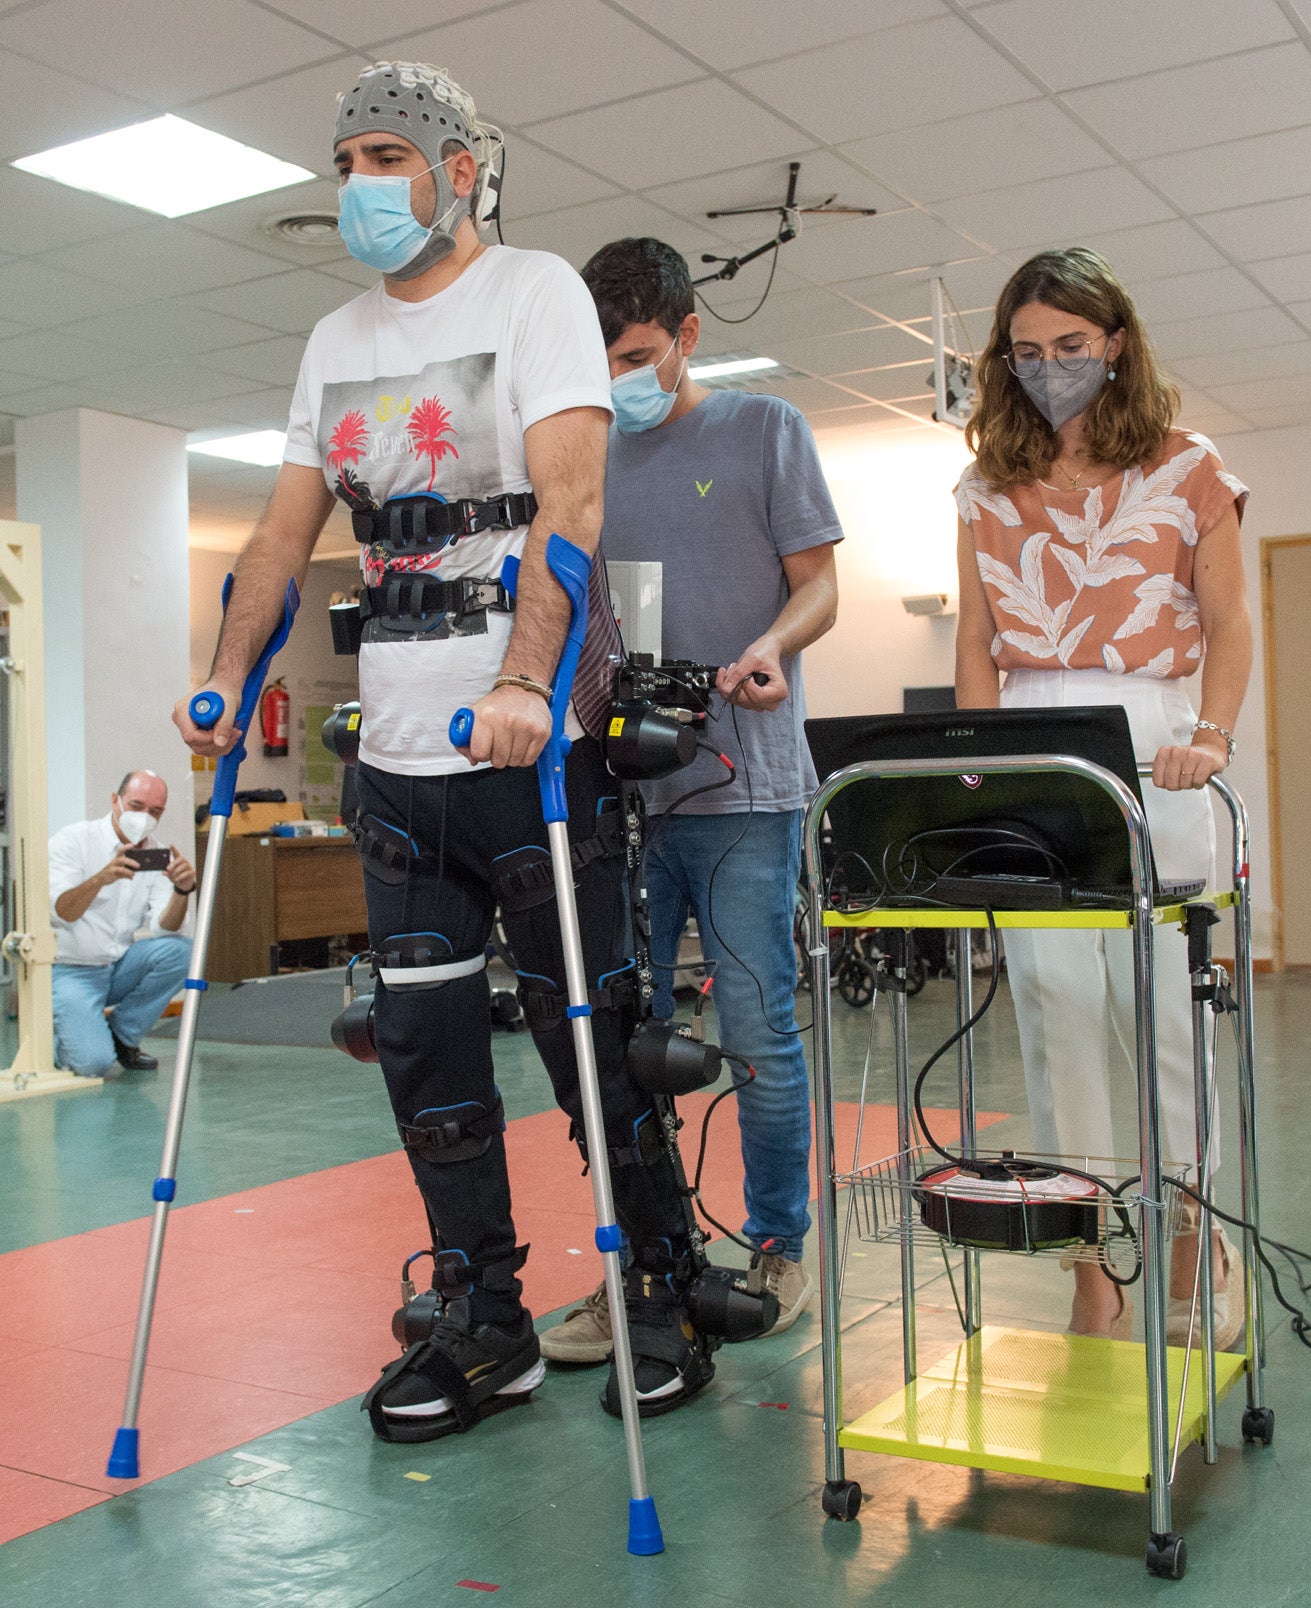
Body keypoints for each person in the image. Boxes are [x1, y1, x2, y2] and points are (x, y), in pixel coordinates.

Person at [175, 61, 714, 1441]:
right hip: (401, 769)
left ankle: (658, 1282)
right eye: (346, 157)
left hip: (530, 754)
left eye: (386, 157)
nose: (360, 183)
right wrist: (227, 678)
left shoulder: (535, 295)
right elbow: (283, 535)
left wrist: (532, 675)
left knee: (590, 1045)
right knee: (428, 1067)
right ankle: (486, 1318)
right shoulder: (330, 339)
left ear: (461, 170)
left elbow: (573, 502)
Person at [537, 237, 842, 1368]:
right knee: (613, 1044)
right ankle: (646, 1266)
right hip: (621, 796)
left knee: (757, 1030)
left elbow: (820, 586)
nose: (620, 376)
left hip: (746, 790)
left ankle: (777, 1246)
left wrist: (768, 645)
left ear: (687, 337)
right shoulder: (581, 458)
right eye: (601, 357)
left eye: (638, 354)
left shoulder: (765, 432)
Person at [950, 247, 1253, 1348]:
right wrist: (975, 774)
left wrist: (1210, 735)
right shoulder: (986, 484)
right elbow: (976, 642)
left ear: (1115, 343)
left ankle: (1190, 1237)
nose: (1049, 369)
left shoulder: (1188, 467)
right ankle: (1087, 1264)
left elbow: (1228, 625)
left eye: (1070, 348)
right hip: (1031, 746)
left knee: (1164, 1011)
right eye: (1026, 353)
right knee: (1054, 1016)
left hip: (1156, 735)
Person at [47, 769, 196, 1077]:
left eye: (155, 811)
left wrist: (182, 890)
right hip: (72, 970)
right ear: (115, 801)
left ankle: (122, 1035)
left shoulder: (157, 853)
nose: (144, 817)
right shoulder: (74, 840)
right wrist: (102, 878)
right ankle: (66, 1036)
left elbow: (164, 928)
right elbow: (62, 912)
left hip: (117, 965)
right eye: (136, 806)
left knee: (183, 951)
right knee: (93, 1064)